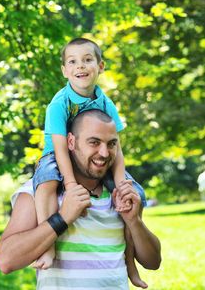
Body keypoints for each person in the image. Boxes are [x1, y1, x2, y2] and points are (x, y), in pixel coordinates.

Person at [0, 110, 161, 290]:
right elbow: (7, 261)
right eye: (94, 142)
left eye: (111, 144)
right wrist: (62, 218)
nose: (104, 153)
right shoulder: (40, 191)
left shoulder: (120, 194)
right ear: (71, 142)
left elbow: (153, 262)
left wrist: (134, 222)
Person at [32, 37, 144, 286]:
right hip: (57, 155)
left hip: (92, 157)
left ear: (100, 66)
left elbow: (117, 146)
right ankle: (47, 245)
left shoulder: (105, 102)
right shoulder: (59, 104)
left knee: (134, 195)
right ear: (64, 70)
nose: (80, 66)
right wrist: (70, 183)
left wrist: (121, 182)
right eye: (72, 62)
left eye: (87, 60)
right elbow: (60, 147)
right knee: (46, 183)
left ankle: (130, 263)